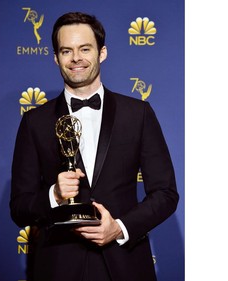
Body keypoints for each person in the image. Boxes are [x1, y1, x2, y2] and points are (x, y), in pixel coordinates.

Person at [10, 12, 179, 281]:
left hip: (125, 264)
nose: (76, 58)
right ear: (55, 57)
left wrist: (120, 228)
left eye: (85, 48)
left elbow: (165, 194)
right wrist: (53, 194)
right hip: (57, 267)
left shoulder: (138, 114)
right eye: (66, 50)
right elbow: (19, 208)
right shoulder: (34, 122)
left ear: (102, 53)